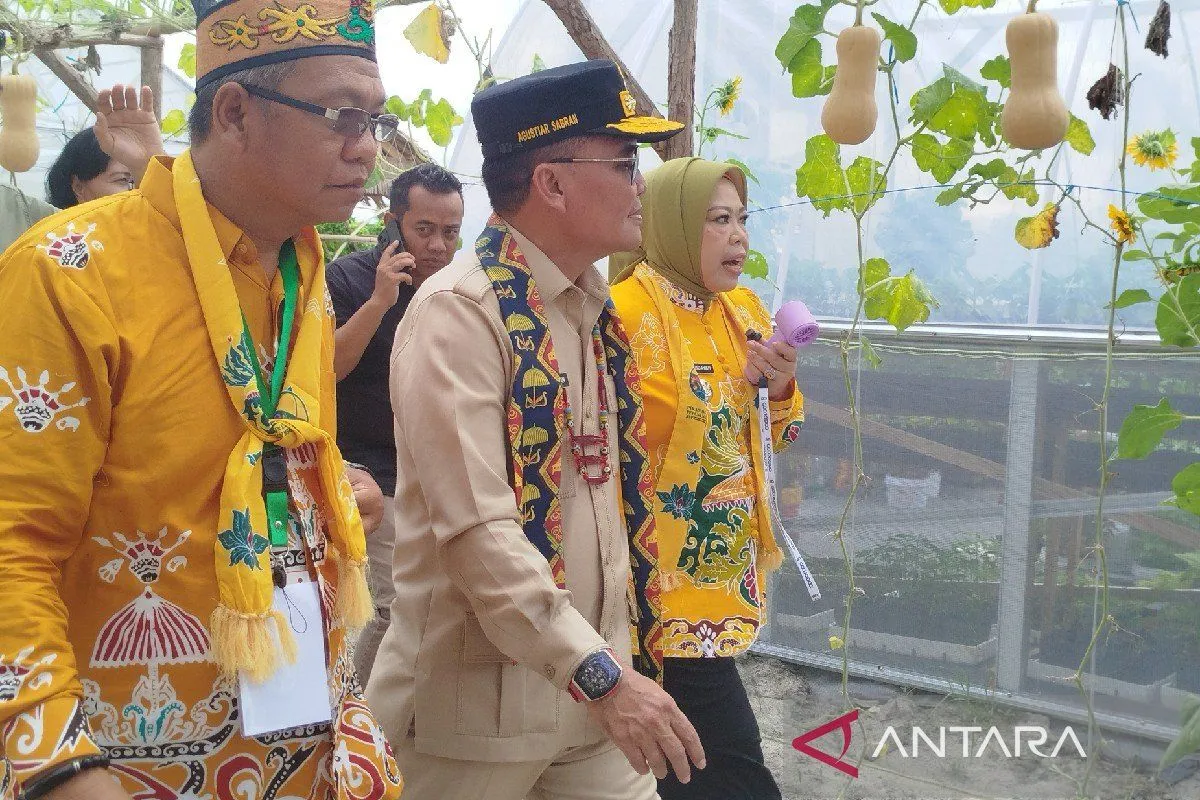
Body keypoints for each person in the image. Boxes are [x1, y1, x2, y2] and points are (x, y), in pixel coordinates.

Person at [0, 0, 404, 797]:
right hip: (128, 766)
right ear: (235, 112)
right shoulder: (71, 270)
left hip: (314, 751)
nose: (368, 148)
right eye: (342, 116)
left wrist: (331, 495)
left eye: (376, 121)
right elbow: (12, 539)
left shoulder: (304, 275)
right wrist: (57, 764)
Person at [366, 60, 706, 800]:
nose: (641, 186)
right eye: (624, 163)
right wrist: (602, 676)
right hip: (473, 717)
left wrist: (612, 668)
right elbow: (477, 532)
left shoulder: (590, 311)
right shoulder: (460, 313)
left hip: (592, 700)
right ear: (551, 183)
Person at [609, 157, 805, 799]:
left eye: (742, 219)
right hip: (649, 586)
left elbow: (773, 437)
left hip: (718, 576)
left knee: (681, 769)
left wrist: (777, 387)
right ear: (672, 225)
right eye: (718, 219)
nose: (739, 236)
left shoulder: (741, 310)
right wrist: (728, 396)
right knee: (728, 768)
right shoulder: (622, 314)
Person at [325, 163, 464, 683]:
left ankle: (395, 713)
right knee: (395, 607)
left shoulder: (459, 289)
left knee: (440, 605)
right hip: (369, 469)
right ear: (393, 224)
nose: (437, 246)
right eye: (423, 229)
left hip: (435, 471)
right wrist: (380, 301)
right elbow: (329, 368)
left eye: (450, 232)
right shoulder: (349, 278)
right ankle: (356, 710)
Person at [1, 85, 162, 252]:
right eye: (123, 180)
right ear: (78, 187)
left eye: (138, 179)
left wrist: (148, 161)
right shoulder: (45, 243)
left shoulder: (146, 240)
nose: (136, 190)